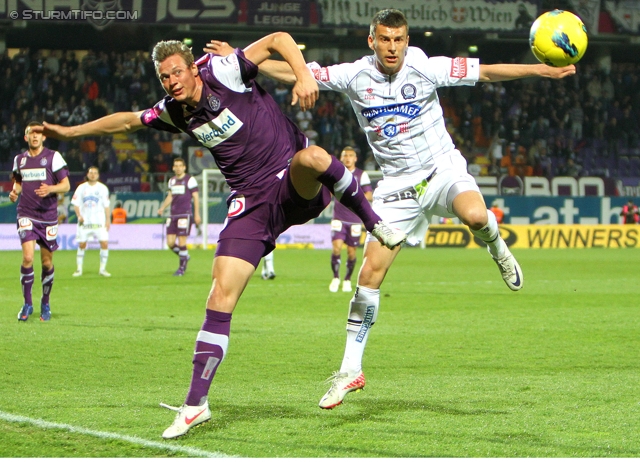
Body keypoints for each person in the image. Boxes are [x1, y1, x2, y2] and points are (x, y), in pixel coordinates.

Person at [37, 33, 405, 439]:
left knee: (313, 156)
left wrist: (303, 75)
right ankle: (196, 405)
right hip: (250, 202)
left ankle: (374, 223)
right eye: (164, 78)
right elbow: (127, 120)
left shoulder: (224, 71)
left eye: (177, 71)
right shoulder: (175, 112)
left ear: (192, 67)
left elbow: (280, 39)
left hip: (292, 182)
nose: (172, 81)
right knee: (219, 296)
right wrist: (69, 134)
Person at [208, 8, 576, 409]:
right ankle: (350, 370)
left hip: (440, 170)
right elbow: (300, 75)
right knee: (368, 276)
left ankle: (497, 249)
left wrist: (541, 71)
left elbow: (487, 71)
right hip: (396, 186)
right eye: (385, 39)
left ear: (407, 40)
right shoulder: (354, 75)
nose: (393, 47)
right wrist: (244, 62)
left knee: (474, 216)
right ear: (373, 41)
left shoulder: (425, 66)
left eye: (399, 39)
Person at [9, 121, 70, 322]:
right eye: (30, 134)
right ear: (26, 137)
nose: (35, 137)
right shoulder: (20, 160)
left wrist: (50, 189)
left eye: (38, 133)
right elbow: (18, 181)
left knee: (46, 262)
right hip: (26, 214)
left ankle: (45, 301)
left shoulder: (53, 157)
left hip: (48, 216)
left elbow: (66, 185)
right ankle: (27, 303)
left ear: (44, 137)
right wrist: (14, 192)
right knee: (28, 258)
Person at [329, 146, 372, 293]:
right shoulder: (336, 174)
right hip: (338, 218)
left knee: (352, 252)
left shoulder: (362, 175)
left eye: (350, 155)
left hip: (354, 220)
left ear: (355, 158)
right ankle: (335, 277)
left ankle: (347, 279)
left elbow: (369, 195)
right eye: (345, 155)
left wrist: (354, 200)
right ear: (341, 158)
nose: (347, 158)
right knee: (336, 248)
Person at [157, 157, 201, 276]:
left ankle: (181, 268)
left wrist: (197, 214)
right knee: (170, 243)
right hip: (173, 215)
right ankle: (185, 256)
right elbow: (170, 196)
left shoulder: (190, 180)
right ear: (173, 167)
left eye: (180, 165)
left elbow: (196, 197)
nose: (177, 168)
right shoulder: (171, 181)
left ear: (184, 167)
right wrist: (162, 208)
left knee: (182, 242)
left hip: (185, 215)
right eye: (175, 166)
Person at [71, 166, 112, 277]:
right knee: (82, 244)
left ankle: (102, 269)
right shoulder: (81, 188)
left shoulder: (103, 188)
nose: (93, 175)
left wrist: (108, 220)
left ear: (98, 175)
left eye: (95, 173)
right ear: (87, 175)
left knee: (104, 243)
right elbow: (76, 204)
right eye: (91, 173)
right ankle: (79, 269)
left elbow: (106, 206)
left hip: (99, 221)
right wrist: (79, 215)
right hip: (85, 221)